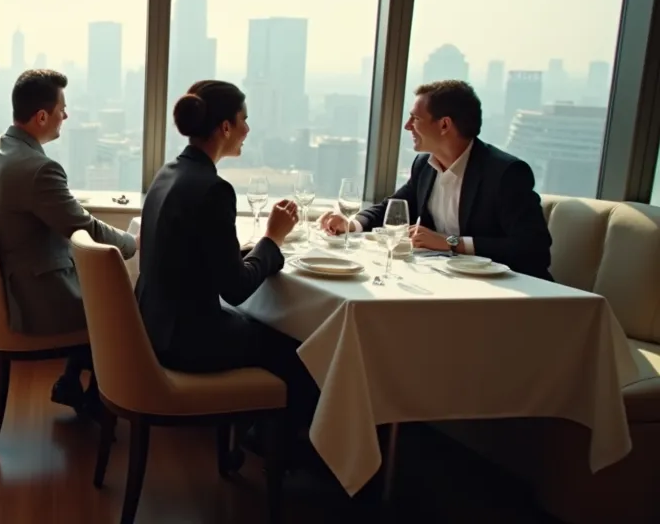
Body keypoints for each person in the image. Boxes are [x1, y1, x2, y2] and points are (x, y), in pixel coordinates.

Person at [137, 80, 317, 426]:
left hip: (154, 328)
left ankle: (255, 437)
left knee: (270, 331)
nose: (247, 129)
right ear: (225, 127)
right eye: (244, 120)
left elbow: (195, 255)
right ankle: (295, 454)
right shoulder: (214, 189)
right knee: (302, 348)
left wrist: (253, 250)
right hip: (189, 341)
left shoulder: (168, 173)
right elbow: (234, 289)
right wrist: (272, 239)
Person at [0, 69, 137, 416]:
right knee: (123, 308)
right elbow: (82, 227)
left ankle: (72, 382)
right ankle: (105, 399)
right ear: (42, 116)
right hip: (31, 297)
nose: (66, 114)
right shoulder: (37, 168)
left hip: (3, 288)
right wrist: (133, 242)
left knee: (94, 287)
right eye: (62, 107)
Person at [319, 79, 553, 279]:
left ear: (444, 125)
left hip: (514, 296)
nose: (407, 126)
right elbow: (394, 207)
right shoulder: (425, 166)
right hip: (451, 282)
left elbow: (534, 248)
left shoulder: (506, 173)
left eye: (415, 119)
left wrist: (450, 242)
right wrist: (353, 223)